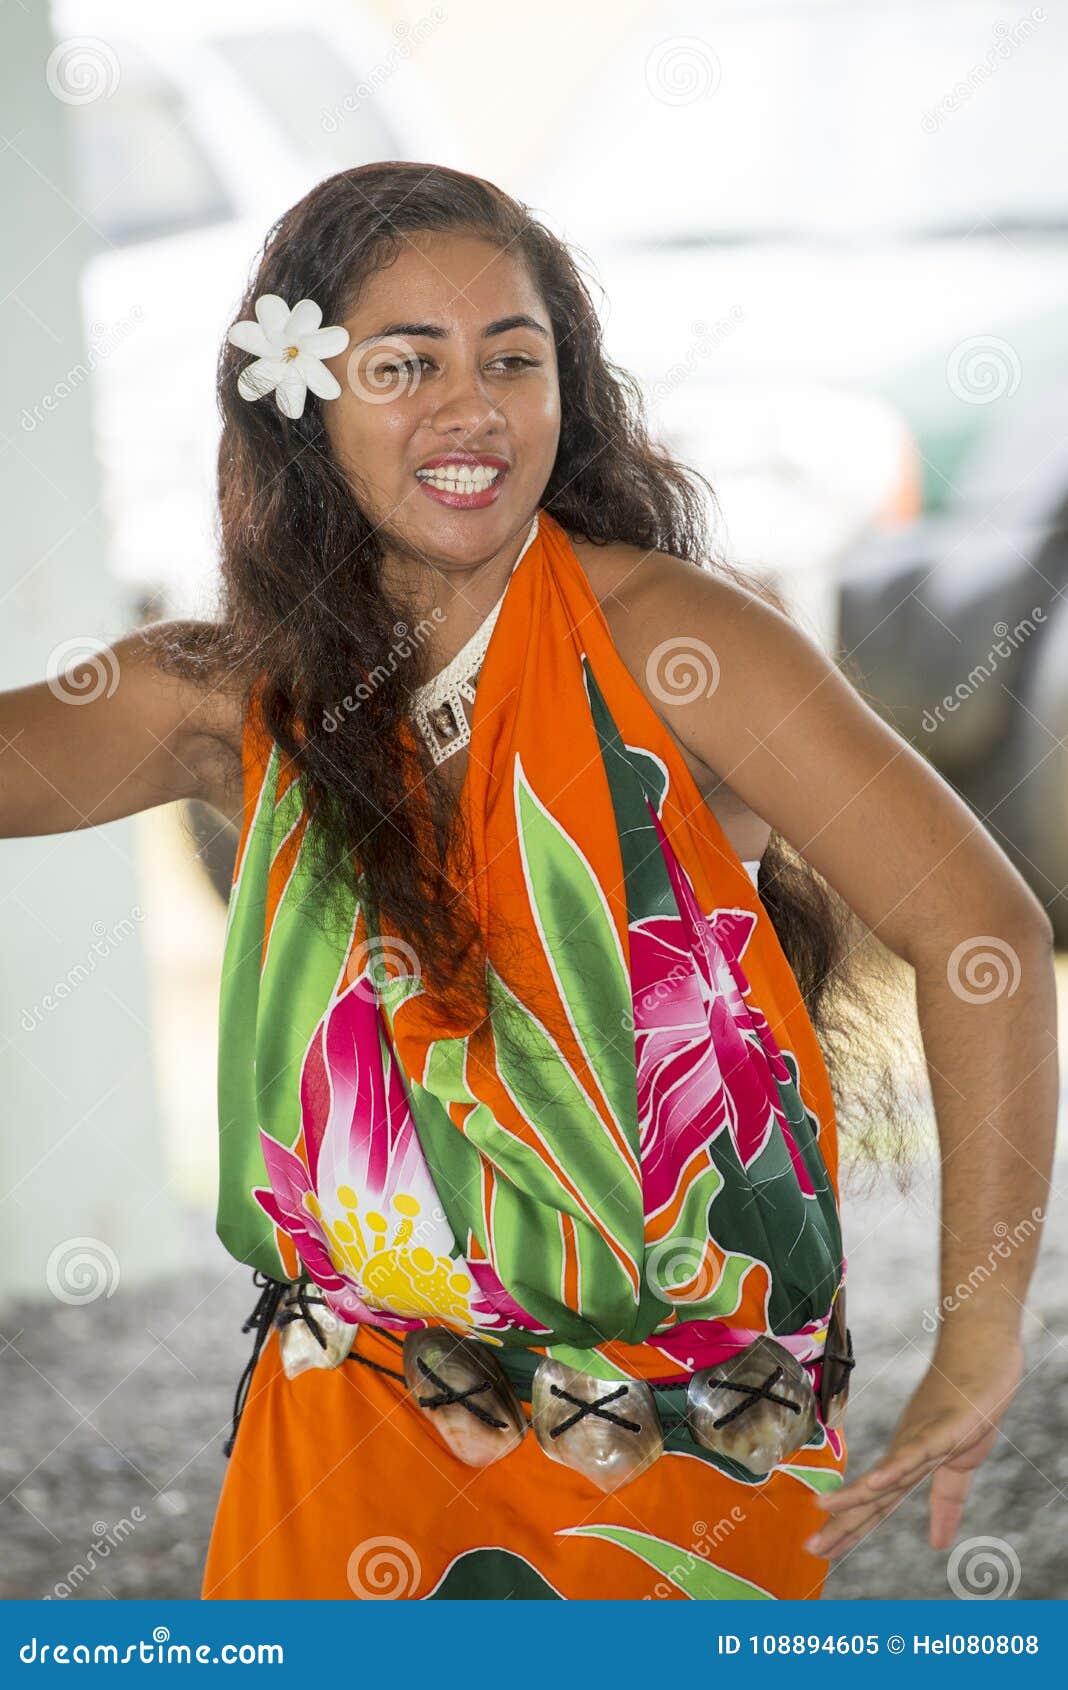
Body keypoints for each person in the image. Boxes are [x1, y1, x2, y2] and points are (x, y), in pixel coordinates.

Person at [0, 162, 1055, 1602]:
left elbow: (979, 926)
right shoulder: (239, 696)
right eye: (405, 363)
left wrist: (979, 1335)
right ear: (299, 399)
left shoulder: (674, 641)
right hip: (351, 1409)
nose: (472, 407)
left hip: (678, 1433)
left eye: (513, 356)